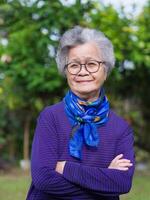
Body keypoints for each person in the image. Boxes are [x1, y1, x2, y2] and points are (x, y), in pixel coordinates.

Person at [26, 26, 135, 200]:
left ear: (105, 70)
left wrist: (65, 168)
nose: (83, 71)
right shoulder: (50, 117)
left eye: (92, 64)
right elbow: (44, 179)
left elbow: (122, 183)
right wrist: (104, 179)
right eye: (74, 65)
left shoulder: (121, 128)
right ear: (66, 71)